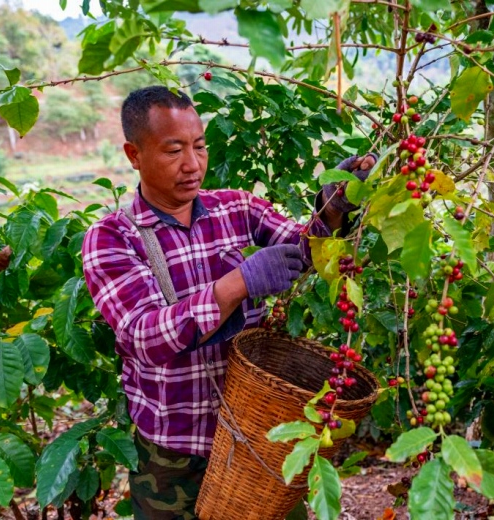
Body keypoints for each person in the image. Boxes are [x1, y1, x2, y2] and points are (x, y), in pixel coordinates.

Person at [81, 85, 375, 519]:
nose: (192, 164)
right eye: (173, 150)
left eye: (199, 147)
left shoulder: (235, 208)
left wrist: (331, 209)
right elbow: (145, 337)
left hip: (255, 435)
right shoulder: (111, 238)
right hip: (175, 453)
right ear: (134, 154)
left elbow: (305, 251)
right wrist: (237, 283)